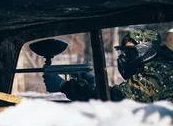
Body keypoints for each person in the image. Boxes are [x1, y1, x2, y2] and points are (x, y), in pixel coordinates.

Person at [44, 29, 173, 102]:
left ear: (146, 50)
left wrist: (65, 86)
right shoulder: (161, 66)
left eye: (129, 53)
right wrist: (95, 84)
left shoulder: (159, 72)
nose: (125, 58)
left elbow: (116, 98)